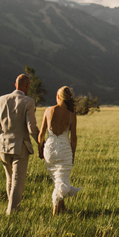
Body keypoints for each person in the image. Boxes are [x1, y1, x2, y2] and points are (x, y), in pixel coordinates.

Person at [0, 74, 41, 215]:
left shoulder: (1, 100)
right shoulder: (28, 102)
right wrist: (41, 143)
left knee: (10, 179)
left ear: (15, 84)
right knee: (18, 181)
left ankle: (12, 208)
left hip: (3, 147)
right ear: (27, 86)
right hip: (20, 147)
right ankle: (12, 213)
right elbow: (32, 128)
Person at [38, 86, 81, 215]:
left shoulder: (48, 111)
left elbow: (41, 134)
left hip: (50, 149)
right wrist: (73, 155)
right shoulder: (72, 116)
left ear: (58, 97)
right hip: (64, 150)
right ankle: (56, 208)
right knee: (61, 179)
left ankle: (62, 208)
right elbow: (73, 139)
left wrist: (40, 148)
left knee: (58, 180)